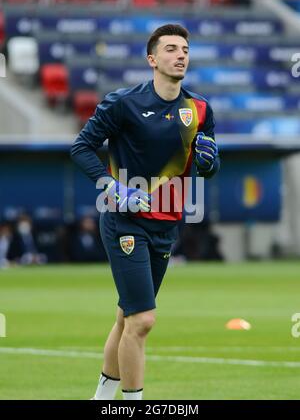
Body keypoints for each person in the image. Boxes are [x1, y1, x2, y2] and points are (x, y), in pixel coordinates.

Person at [71, 24, 220, 400]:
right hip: (125, 221)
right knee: (143, 320)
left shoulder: (199, 109)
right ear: (152, 60)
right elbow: (81, 147)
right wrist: (113, 187)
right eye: (171, 49)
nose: (181, 55)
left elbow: (207, 164)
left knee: (127, 317)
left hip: (167, 225)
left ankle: (102, 401)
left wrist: (211, 163)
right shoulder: (123, 103)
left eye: (185, 48)